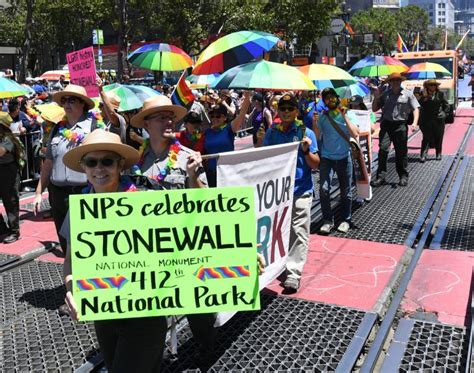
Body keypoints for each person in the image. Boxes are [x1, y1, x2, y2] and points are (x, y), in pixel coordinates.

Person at [61, 129, 169, 372]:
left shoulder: (147, 199)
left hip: (146, 315)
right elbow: (70, 259)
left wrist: (238, 252)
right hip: (106, 314)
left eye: (107, 161)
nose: (99, 168)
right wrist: (71, 288)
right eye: (91, 162)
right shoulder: (80, 207)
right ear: (84, 167)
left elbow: (190, 239)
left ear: (120, 165)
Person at [130, 95, 214, 365]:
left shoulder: (188, 157)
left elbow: (206, 201)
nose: (169, 121)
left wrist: (192, 176)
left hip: (185, 244)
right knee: (155, 305)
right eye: (161, 117)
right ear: (146, 123)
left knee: (196, 307)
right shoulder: (135, 160)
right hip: (149, 247)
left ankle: (206, 349)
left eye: (170, 116)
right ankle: (161, 353)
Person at [257, 92, 320, 292]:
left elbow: (316, 164)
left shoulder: (306, 133)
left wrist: (306, 151)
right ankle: (276, 265)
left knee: (298, 230)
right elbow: (263, 158)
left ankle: (293, 272)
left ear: (296, 111)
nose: (285, 112)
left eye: (290, 109)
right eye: (282, 109)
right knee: (275, 230)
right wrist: (259, 141)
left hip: (300, 189)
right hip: (276, 193)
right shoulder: (271, 132)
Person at [33, 84, 95, 254]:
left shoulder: (95, 127)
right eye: (65, 100)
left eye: (72, 100)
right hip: (58, 194)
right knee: (66, 244)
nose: (67, 104)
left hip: (84, 193)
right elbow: (48, 163)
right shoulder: (56, 129)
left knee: (86, 244)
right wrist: (39, 192)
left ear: (83, 103)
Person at [315, 88, 360, 234]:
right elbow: (318, 137)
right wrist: (315, 123)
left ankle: (345, 220)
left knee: (346, 191)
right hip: (327, 158)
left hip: (343, 157)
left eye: (332, 97)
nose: (330, 100)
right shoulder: (323, 117)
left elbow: (355, 133)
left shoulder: (348, 114)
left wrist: (344, 115)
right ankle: (328, 220)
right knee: (323, 189)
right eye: (327, 98)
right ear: (324, 102)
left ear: (337, 98)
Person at [371, 72, 420, 187]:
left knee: (401, 152)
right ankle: (380, 177)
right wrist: (376, 96)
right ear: (390, 82)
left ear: (401, 81)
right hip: (387, 125)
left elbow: (416, 109)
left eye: (398, 80)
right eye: (393, 80)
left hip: (400, 126)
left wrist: (414, 122)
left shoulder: (407, 94)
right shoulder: (385, 95)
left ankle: (403, 176)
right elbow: (374, 109)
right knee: (383, 150)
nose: (395, 82)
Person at [203, 91, 251, 187]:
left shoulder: (229, 129)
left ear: (224, 118)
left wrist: (247, 97)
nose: (214, 118)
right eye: (212, 116)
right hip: (210, 173)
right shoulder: (207, 132)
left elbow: (241, 115)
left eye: (218, 116)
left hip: (227, 172)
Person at [0, 112, 23, 243]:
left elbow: (1, 151)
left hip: (8, 172)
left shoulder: (8, 139)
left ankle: (14, 231)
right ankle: (1, 227)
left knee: (11, 202)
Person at [418, 79, 449, 162]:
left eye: (434, 85)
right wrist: (424, 97)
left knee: (439, 137)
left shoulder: (440, 94)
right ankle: (423, 155)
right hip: (426, 119)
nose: (432, 86)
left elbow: (446, 105)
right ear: (427, 86)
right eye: (430, 85)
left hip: (438, 119)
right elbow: (417, 104)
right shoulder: (422, 94)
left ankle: (438, 153)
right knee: (426, 137)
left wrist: (444, 114)